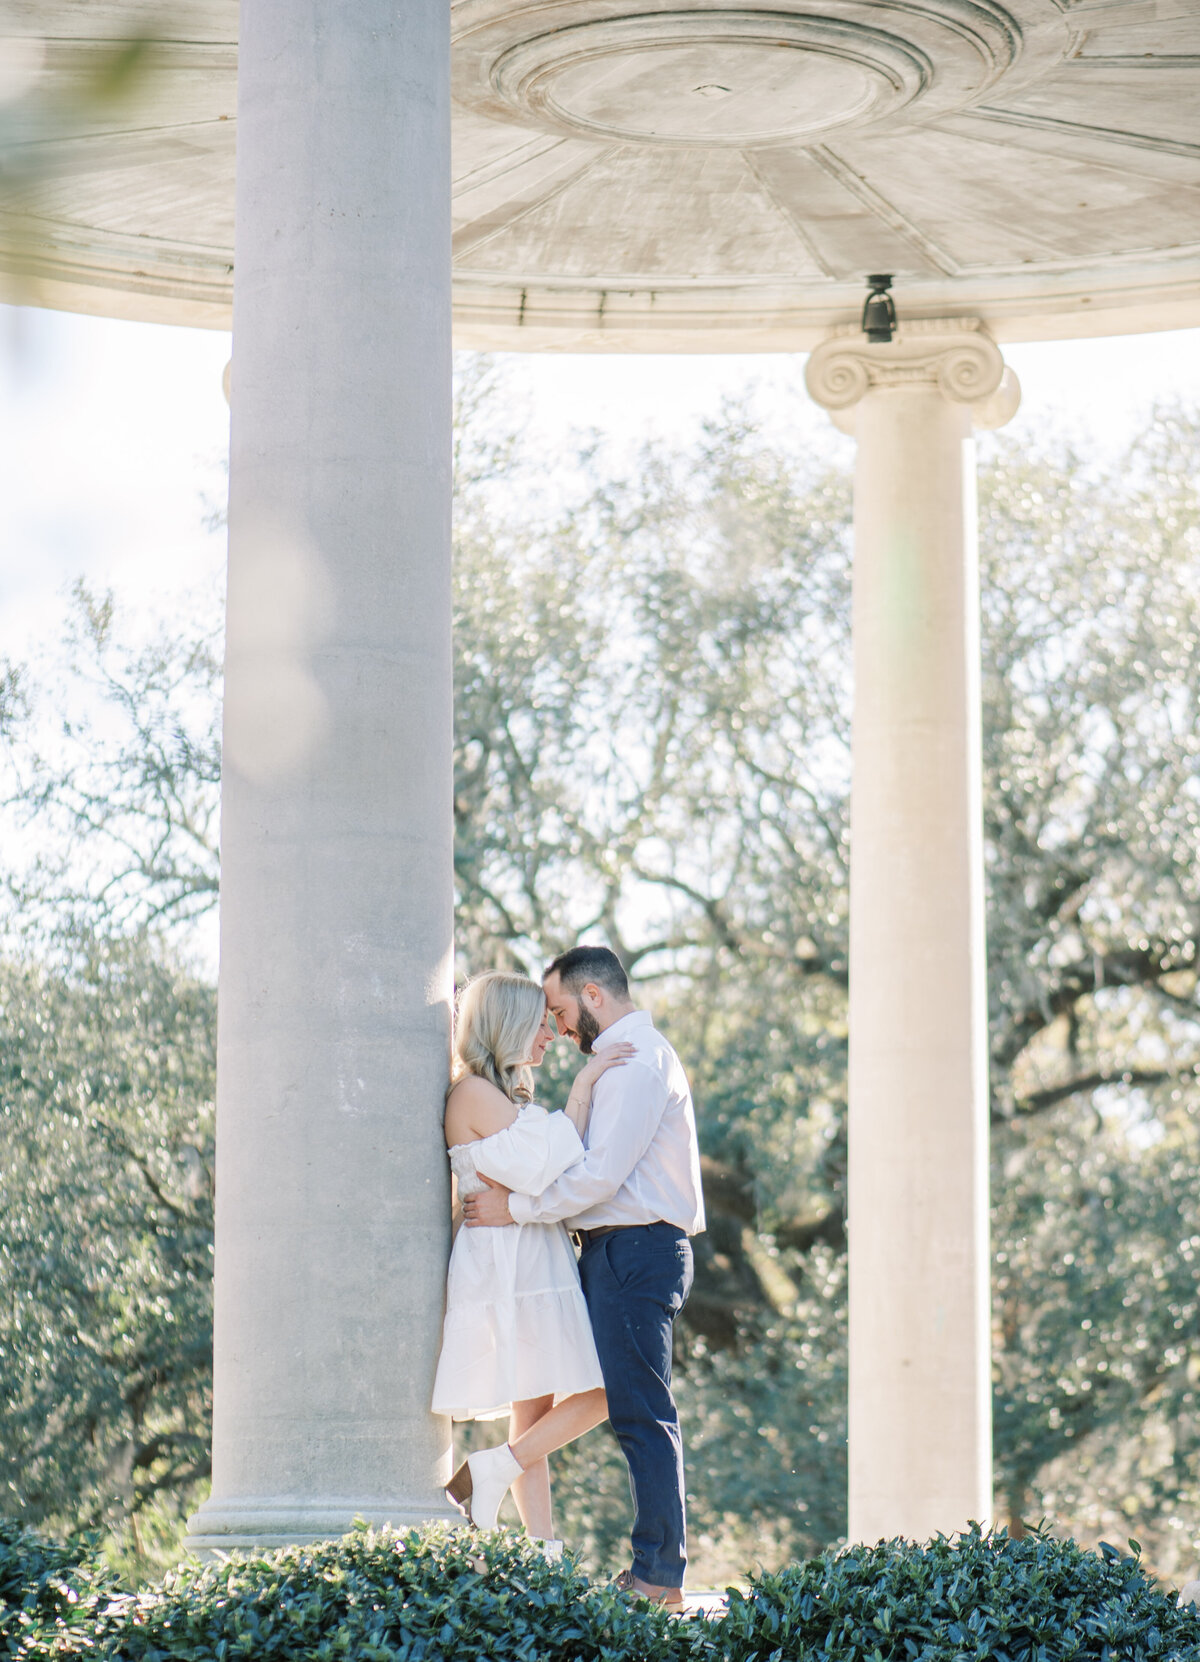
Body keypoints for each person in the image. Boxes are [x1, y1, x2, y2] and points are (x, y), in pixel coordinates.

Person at [464, 945, 705, 1612]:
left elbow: (600, 1176)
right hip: (613, 1251)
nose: (562, 1029)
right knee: (626, 1406)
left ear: (594, 996)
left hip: (636, 1249)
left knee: (640, 1415)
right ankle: (649, 1570)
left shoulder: (635, 1061)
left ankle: (658, 1579)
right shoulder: (616, 1064)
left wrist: (515, 1208)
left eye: (564, 1013)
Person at [431, 970, 633, 1550]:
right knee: (605, 1390)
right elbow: (553, 1162)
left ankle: (544, 1550)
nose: (550, 1035)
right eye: (540, 1024)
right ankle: (500, 1469)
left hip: (531, 1260)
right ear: (508, 1025)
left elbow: (549, 1161)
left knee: (534, 1418)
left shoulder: (506, 1099)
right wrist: (584, 1088)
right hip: (509, 1269)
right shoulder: (473, 1093)